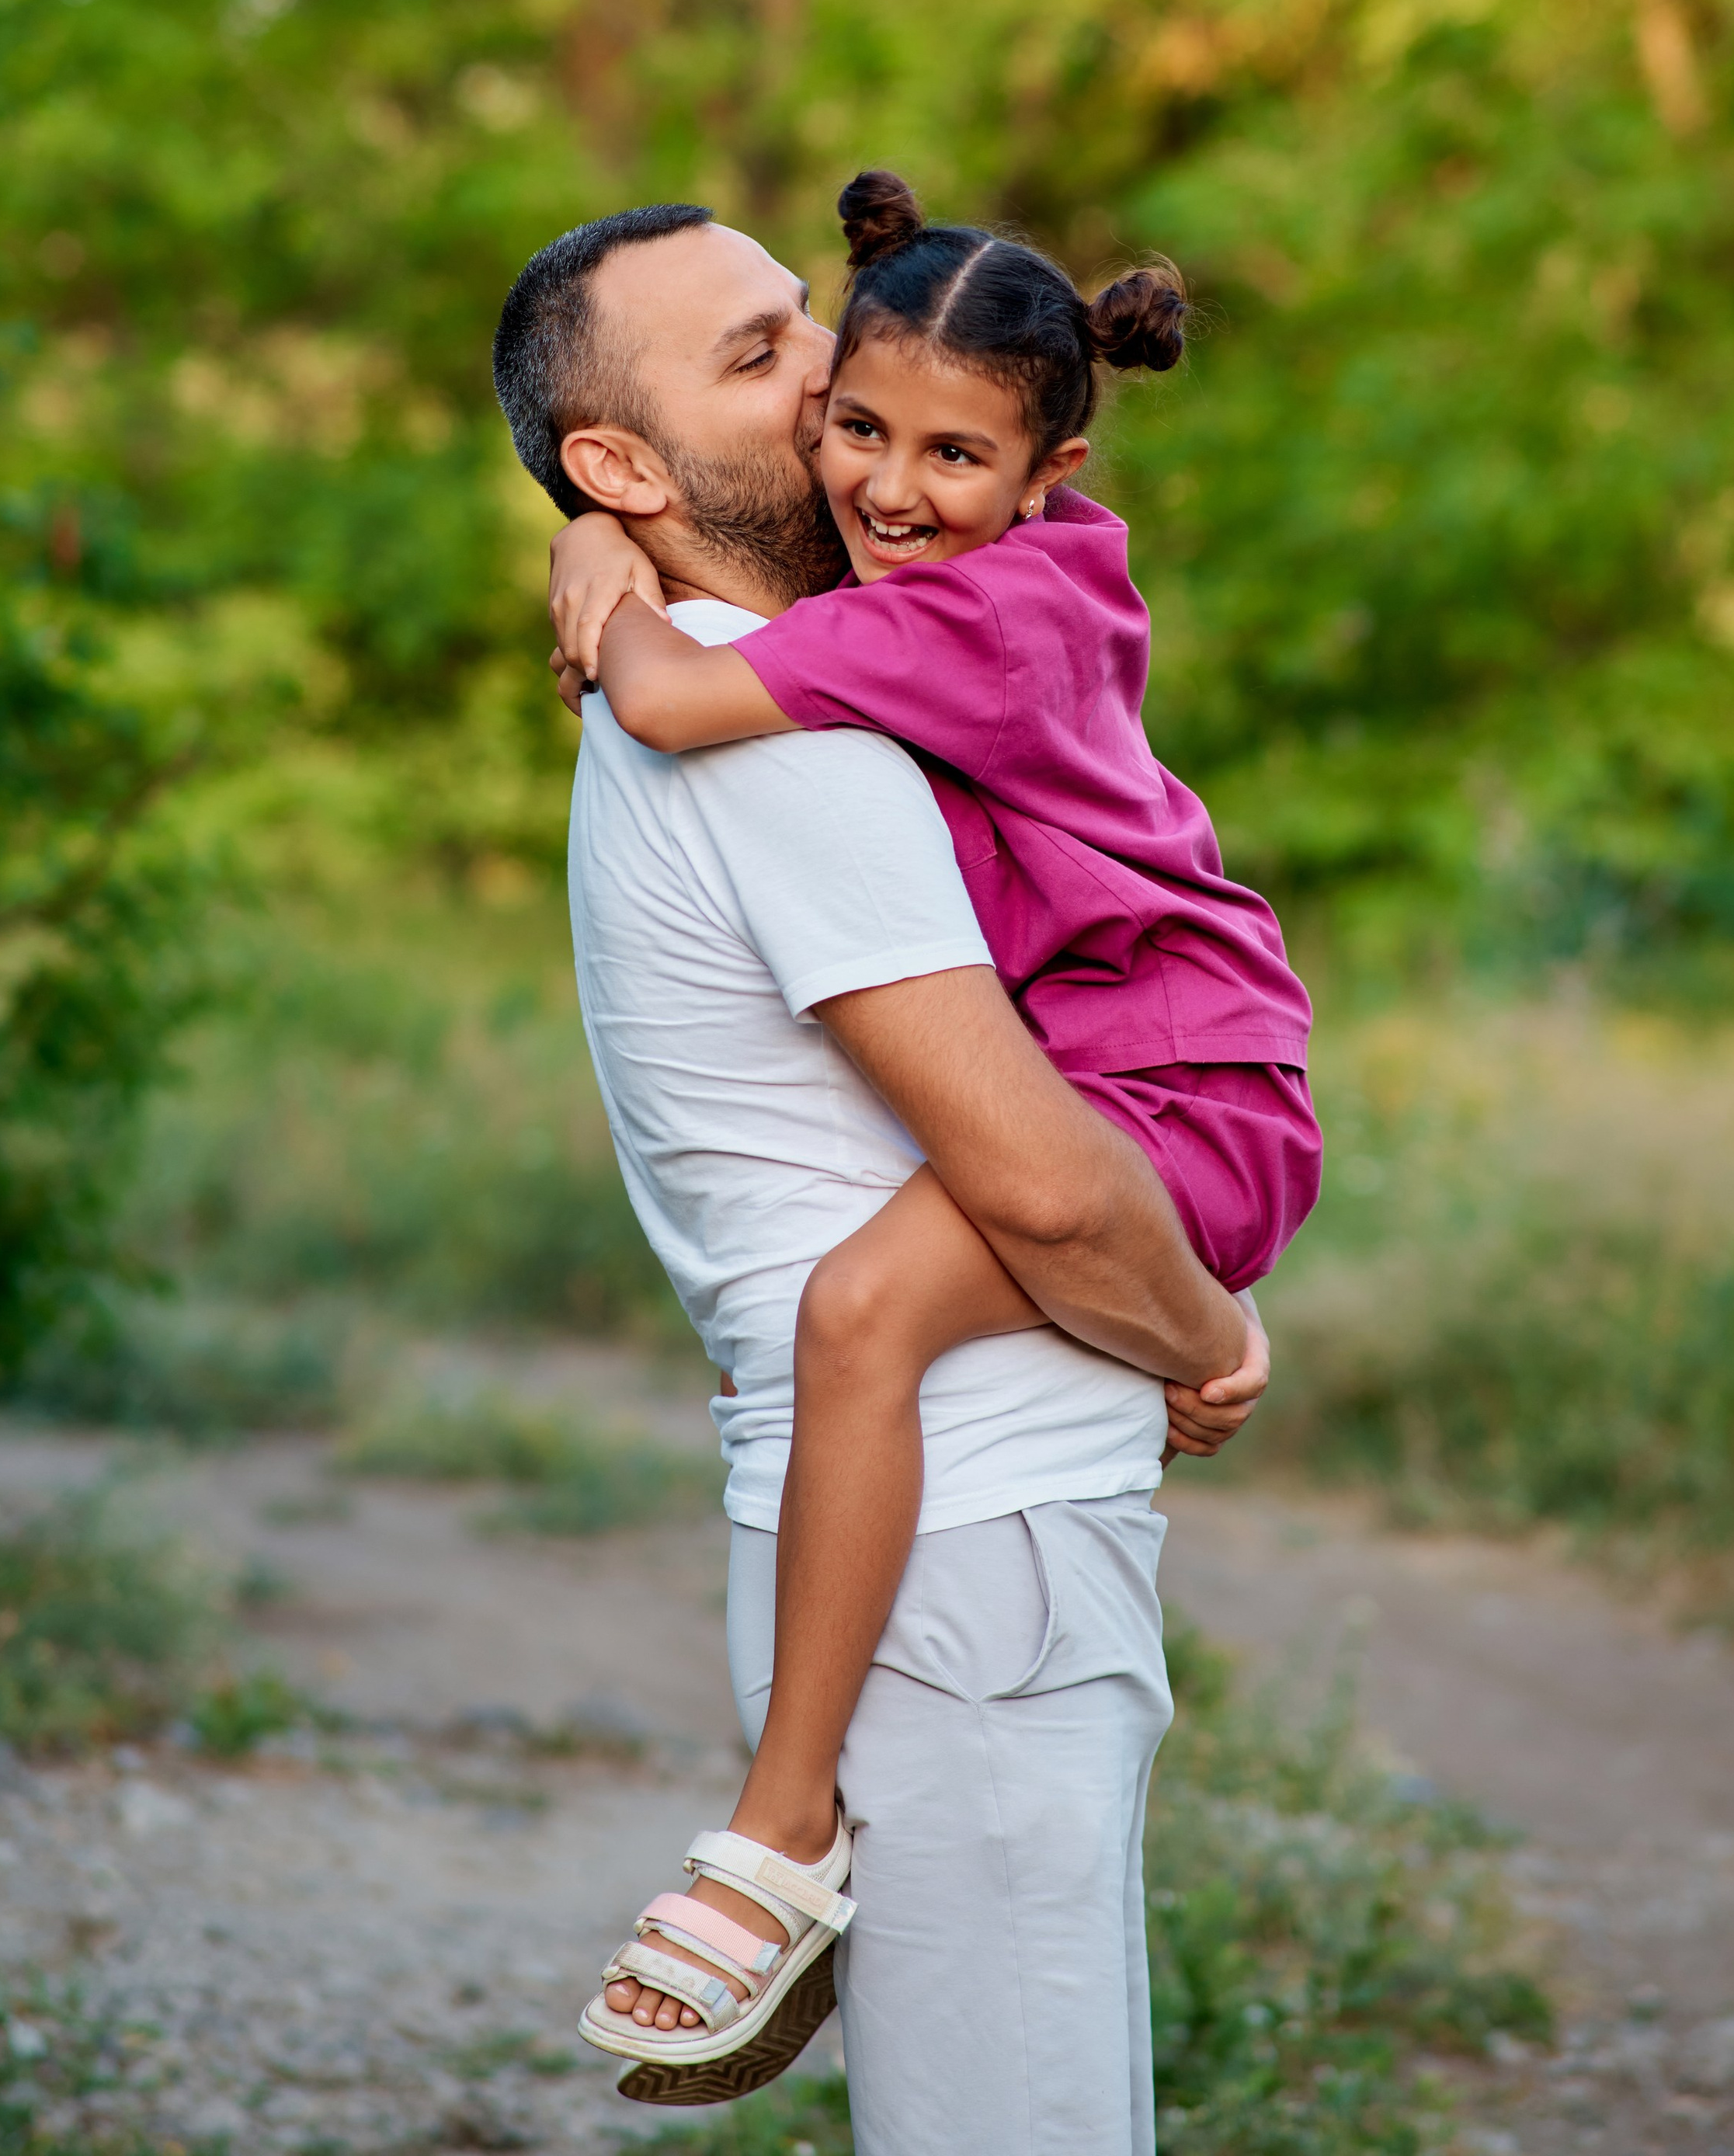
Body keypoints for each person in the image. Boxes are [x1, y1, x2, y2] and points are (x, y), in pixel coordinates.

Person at [490, 201, 1289, 2154]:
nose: (832, 398)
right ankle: (768, 1837)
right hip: (975, 1552)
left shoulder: (794, 671)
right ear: (623, 455)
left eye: (807, 334)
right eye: (764, 367)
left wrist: (596, 548)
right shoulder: (790, 738)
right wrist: (1204, 1333)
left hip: (903, 1536)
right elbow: (1035, 1186)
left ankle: (773, 1838)